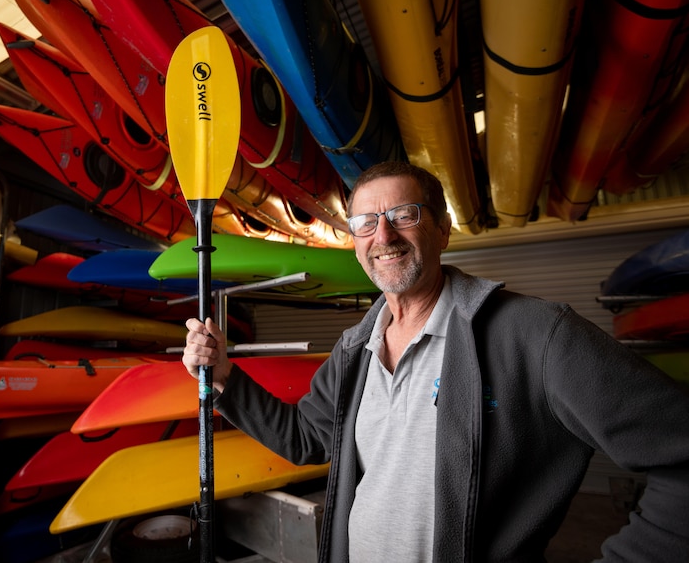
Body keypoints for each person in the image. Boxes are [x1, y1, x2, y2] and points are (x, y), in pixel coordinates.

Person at [182, 161, 689, 562]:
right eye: (365, 223)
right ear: (355, 242)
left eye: (404, 215)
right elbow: (306, 439)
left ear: (443, 230)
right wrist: (225, 377)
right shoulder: (355, 348)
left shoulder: (534, 333)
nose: (383, 236)